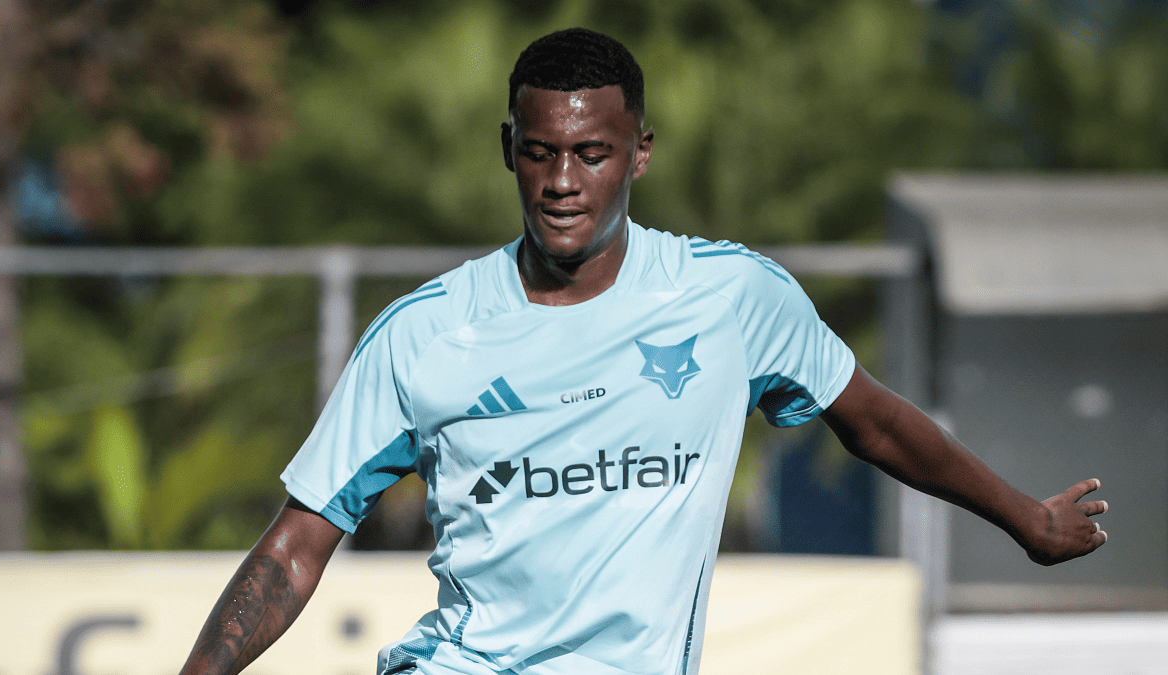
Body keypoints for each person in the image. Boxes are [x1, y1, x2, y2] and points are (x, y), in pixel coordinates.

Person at [177, 27, 1108, 675]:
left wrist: (1023, 517)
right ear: (508, 150)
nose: (561, 182)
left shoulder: (731, 298)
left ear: (640, 153)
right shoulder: (425, 334)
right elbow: (296, 548)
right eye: (539, 153)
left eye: (591, 153)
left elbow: (873, 422)